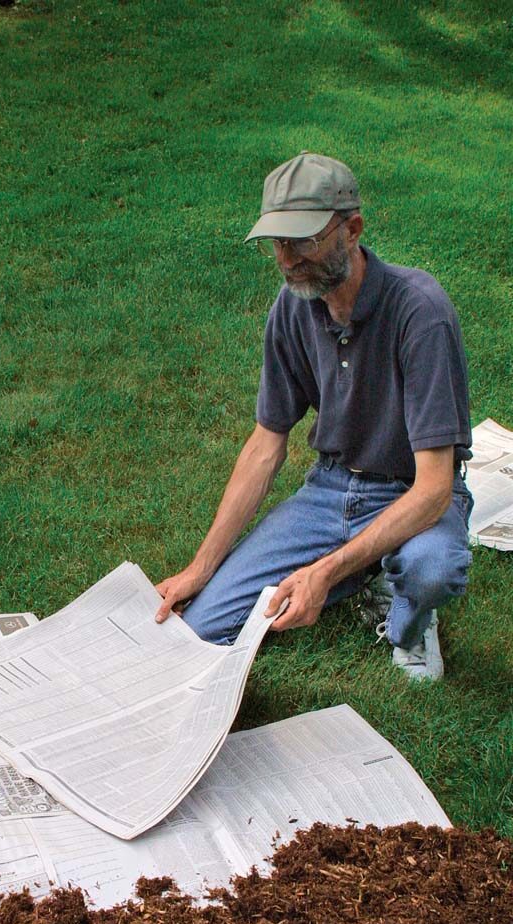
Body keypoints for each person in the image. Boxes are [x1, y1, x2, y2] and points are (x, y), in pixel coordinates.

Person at [155, 152, 473, 681]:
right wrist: (200, 567)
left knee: (431, 569)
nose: (288, 259)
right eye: (278, 243)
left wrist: (323, 573)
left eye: (304, 240)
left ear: (352, 229)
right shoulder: (291, 307)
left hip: (412, 489)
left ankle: (410, 620)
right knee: (203, 628)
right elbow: (265, 446)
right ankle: (369, 563)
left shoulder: (421, 311)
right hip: (331, 491)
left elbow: (436, 487)